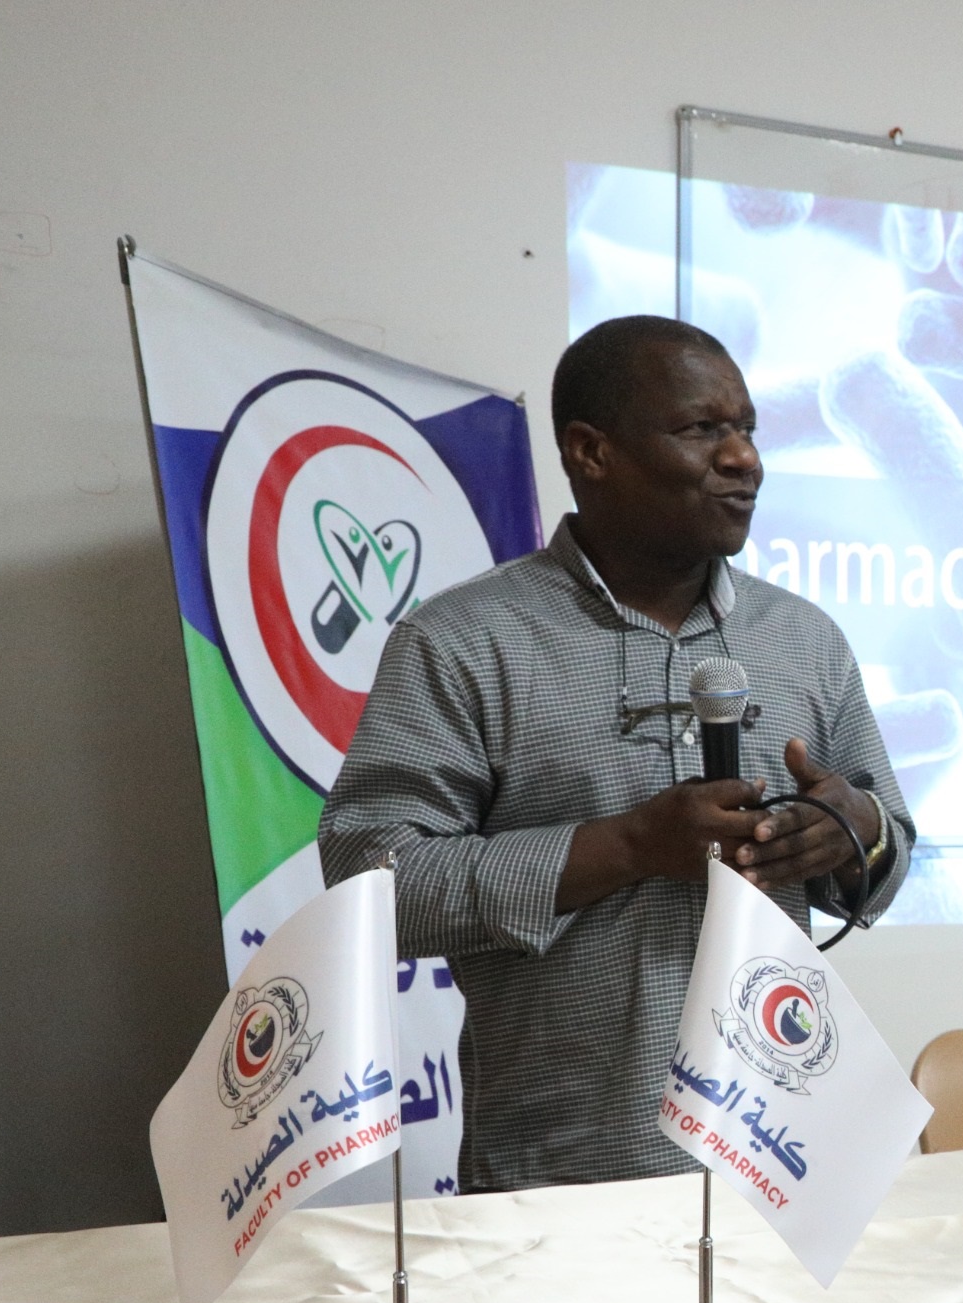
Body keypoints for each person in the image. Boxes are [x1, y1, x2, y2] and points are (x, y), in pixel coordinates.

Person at [320, 315, 913, 1191]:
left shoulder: (805, 639)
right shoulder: (463, 641)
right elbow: (373, 887)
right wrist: (629, 846)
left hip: (783, 1169)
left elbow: (887, 855)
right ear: (591, 452)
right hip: (563, 1174)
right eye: (702, 429)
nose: (744, 458)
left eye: (748, 429)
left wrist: (855, 832)